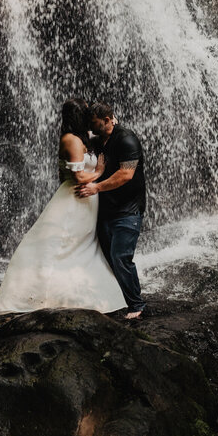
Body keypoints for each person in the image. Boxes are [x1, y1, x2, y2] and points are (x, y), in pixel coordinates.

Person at [0, 98, 127, 315]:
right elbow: (79, 175)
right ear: (78, 117)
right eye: (86, 113)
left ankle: (80, 289)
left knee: (81, 246)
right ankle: (44, 293)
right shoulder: (71, 140)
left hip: (86, 200)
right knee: (63, 244)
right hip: (75, 198)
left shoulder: (84, 137)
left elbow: (107, 125)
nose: (90, 117)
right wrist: (99, 172)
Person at [76, 102, 146, 320]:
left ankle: (137, 305)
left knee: (120, 256)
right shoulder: (98, 140)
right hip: (105, 210)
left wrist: (96, 186)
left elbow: (126, 174)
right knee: (108, 257)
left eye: (94, 122)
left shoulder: (126, 139)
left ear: (107, 120)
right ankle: (118, 298)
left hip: (128, 210)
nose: (90, 126)